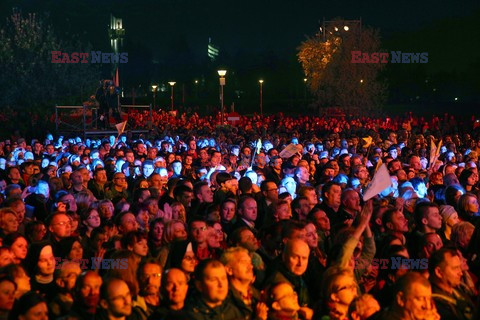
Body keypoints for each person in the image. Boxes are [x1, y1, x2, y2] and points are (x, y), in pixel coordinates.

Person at [220, 247, 268, 320]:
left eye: (250, 262)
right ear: (229, 270)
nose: (250, 266)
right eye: (244, 262)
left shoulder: (258, 295)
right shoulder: (224, 301)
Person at [429, 248, 476, 320]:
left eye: (459, 267)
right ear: (439, 272)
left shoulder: (458, 290)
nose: (460, 273)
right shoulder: (432, 305)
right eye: (455, 268)